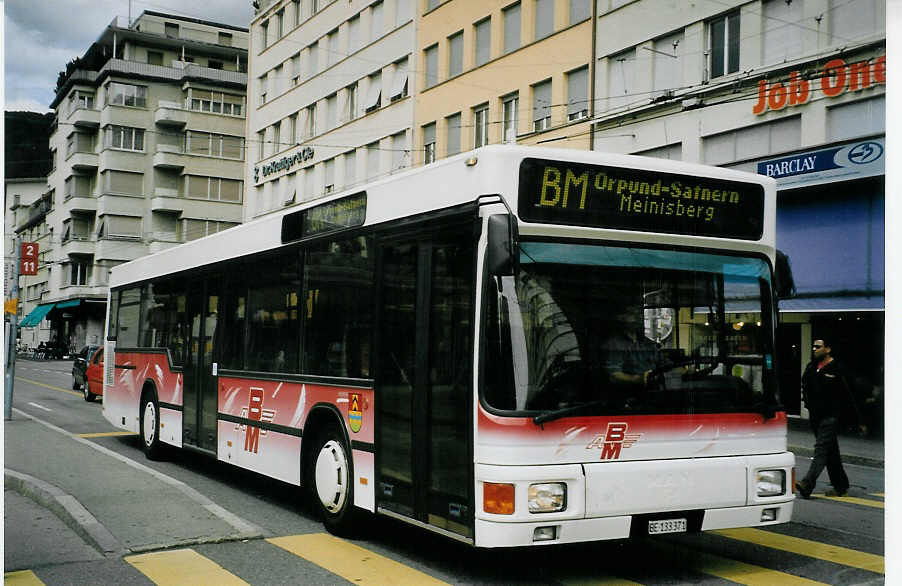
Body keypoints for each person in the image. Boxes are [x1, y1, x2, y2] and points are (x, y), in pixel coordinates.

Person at [795, 338, 866, 499]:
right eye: (813, 346)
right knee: (830, 451)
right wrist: (807, 404)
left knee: (821, 449)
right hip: (815, 416)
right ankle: (841, 486)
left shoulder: (837, 368)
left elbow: (849, 395)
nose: (814, 349)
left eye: (818, 347)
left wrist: (859, 420)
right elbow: (805, 386)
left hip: (831, 416)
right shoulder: (811, 367)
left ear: (827, 349)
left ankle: (807, 483)